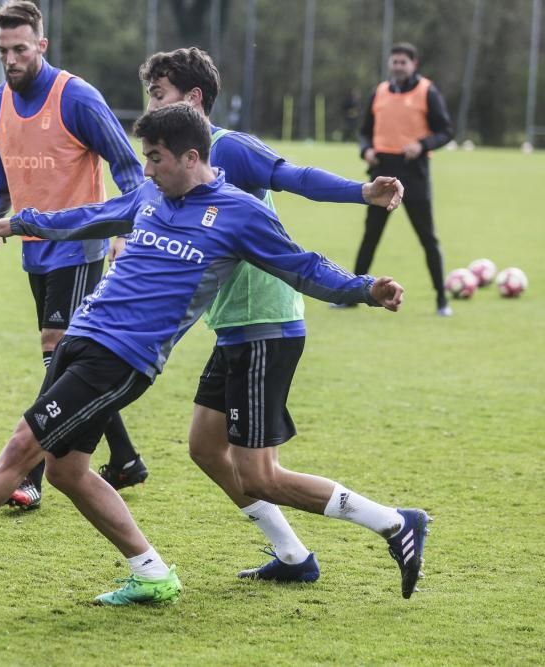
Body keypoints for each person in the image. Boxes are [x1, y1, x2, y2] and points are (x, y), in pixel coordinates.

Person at [0, 103, 410, 605]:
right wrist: (23, 222)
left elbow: (305, 266)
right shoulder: (151, 197)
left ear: (191, 158)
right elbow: (97, 215)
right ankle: (151, 572)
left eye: (155, 159)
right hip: (82, 336)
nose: (147, 171)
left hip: (122, 358)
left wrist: (365, 288)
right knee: (66, 472)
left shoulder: (239, 214)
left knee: (22, 451)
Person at [139, 48, 409, 587]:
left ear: (193, 99)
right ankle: (292, 556)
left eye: (158, 93)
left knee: (259, 474)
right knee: (204, 448)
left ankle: (398, 523)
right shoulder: (169, 163)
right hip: (232, 324)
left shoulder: (228, 149)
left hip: (266, 318)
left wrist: (361, 192)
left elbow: (295, 176)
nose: (150, 102)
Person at [0, 1, 147, 509]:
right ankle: (126, 459)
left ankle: (31, 473)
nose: (11, 58)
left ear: (42, 45)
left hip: (81, 245)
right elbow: (3, 181)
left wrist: (126, 231)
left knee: (59, 346)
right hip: (33, 249)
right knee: (68, 359)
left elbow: (129, 168)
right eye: (3, 50)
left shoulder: (77, 97)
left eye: (21, 48)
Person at [351, 42, 454, 317]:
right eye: (394, 61)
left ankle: (442, 300)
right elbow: (364, 132)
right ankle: (349, 295)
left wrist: (422, 144)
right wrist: (366, 150)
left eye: (403, 62)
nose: (398, 66)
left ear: (414, 64)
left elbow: (446, 131)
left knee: (427, 238)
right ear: (389, 64)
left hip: (414, 172)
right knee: (370, 236)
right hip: (382, 172)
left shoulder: (427, 91)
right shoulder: (379, 92)